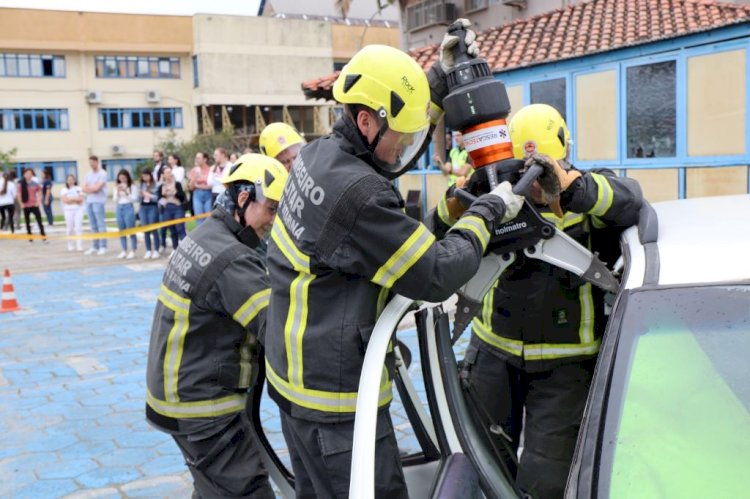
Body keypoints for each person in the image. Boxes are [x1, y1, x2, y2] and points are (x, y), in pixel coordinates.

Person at [264, 22, 525, 498]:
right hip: (336, 400)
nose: (406, 147)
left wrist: (437, 82)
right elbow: (437, 274)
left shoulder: (318, 157)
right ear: (367, 122)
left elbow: (387, 247)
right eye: (400, 137)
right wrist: (487, 212)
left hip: (295, 380)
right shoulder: (358, 193)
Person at [455, 104, 643, 499]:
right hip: (493, 355)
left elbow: (632, 200)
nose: (533, 186)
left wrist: (573, 187)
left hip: (565, 369)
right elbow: (445, 232)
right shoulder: (497, 196)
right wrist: (471, 195)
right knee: (483, 470)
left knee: (547, 482)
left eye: (541, 172)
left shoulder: (587, 194)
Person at [145, 153, 288, 499]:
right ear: (243, 199)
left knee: (214, 489)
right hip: (202, 405)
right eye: (270, 208)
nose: (274, 220)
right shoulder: (233, 259)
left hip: (176, 394)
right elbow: (278, 331)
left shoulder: (206, 235)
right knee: (246, 490)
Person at [157, 165, 186, 255]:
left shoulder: (177, 184)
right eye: (167, 173)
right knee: (172, 229)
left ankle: (186, 248)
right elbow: (159, 199)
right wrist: (163, 195)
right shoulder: (162, 186)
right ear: (164, 175)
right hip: (167, 208)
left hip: (177, 207)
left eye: (170, 172)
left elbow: (182, 197)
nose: (169, 174)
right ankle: (175, 248)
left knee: (180, 228)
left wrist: (175, 192)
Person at [82, 155, 108, 255]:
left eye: (93, 162)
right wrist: (91, 188)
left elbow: (97, 188)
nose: (91, 164)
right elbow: (84, 188)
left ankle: (103, 246)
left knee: (101, 224)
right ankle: (95, 246)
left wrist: (91, 188)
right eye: (90, 162)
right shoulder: (88, 174)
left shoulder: (102, 174)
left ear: (97, 162)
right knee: (93, 225)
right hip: (89, 201)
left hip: (99, 201)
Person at [113, 169, 139, 259]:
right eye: (120, 178)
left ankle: (133, 250)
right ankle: (124, 250)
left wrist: (126, 192)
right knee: (122, 230)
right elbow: (114, 200)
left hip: (128, 207)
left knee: (131, 229)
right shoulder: (116, 186)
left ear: (127, 177)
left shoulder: (132, 186)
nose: (122, 179)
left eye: (124, 177)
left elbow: (134, 199)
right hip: (119, 207)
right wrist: (117, 192)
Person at [17, 168, 47, 242]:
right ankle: (30, 237)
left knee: (39, 221)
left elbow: (40, 192)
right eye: (27, 173)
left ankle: (43, 236)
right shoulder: (21, 184)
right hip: (25, 205)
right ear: (24, 174)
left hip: (34, 205)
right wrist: (21, 203)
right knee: (27, 222)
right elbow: (18, 194)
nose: (29, 175)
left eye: (30, 173)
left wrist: (38, 201)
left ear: (32, 175)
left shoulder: (35, 183)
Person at [139, 168, 161, 259]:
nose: (145, 178)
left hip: (152, 207)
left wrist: (148, 195)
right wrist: (140, 195)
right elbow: (138, 198)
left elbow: (157, 198)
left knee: (153, 228)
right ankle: (148, 250)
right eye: (143, 176)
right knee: (146, 229)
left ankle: (156, 249)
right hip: (143, 207)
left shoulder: (156, 184)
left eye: (146, 176)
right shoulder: (141, 185)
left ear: (150, 175)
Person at [60, 174, 85, 251]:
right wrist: (75, 199)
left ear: (75, 180)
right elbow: (65, 200)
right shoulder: (64, 190)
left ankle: (79, 245)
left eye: (72, 179)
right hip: (68, 211)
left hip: (78, 210)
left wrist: (71, 199)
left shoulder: (79, 189)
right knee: (70, 228)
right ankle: (70, 244)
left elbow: (81, 200)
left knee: (78, 227)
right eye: (69, 180)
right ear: (67, 181)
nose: (70, 181)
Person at [188, 152, 212, 225]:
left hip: (208, 195)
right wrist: (194, 178)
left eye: (198, 158)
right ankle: (200, 236)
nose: (196, 160)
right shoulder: (194, 170)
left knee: (209, 218)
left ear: (205, 159)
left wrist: (198, 186)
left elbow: (211, 186)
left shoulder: (211, 170)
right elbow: (191, 187)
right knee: (199, 218)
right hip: (197, 195)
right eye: (196, 158)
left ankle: (209, 236)